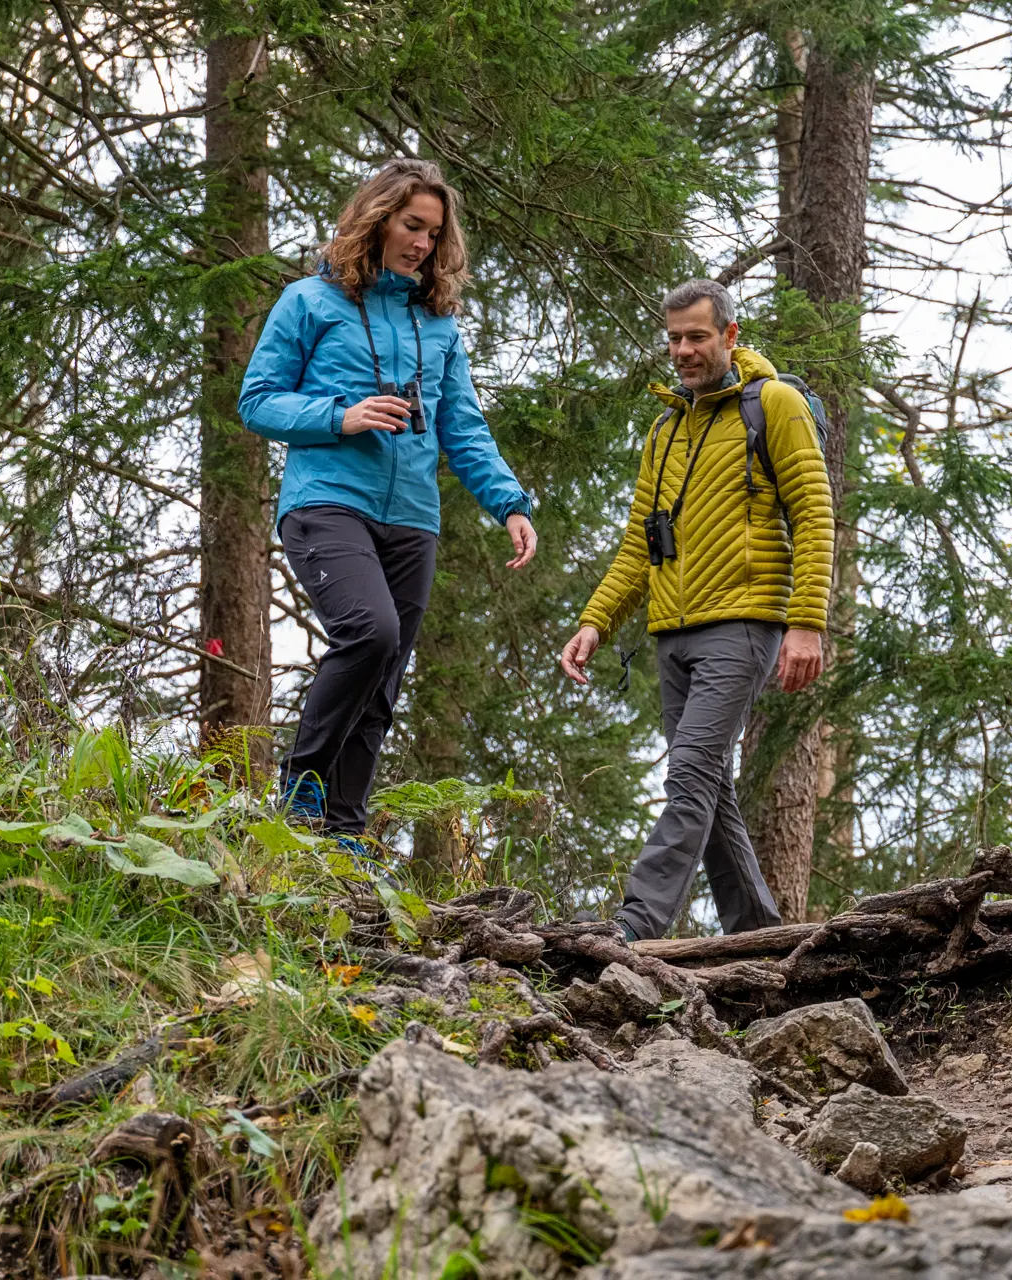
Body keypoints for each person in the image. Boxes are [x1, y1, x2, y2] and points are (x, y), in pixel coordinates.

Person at [238, 158, 536, 864]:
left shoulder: (437, 326)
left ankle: (344, 829)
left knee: (386, 675)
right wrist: (341, 416)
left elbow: (462, 427)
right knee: (368, 633)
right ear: (377, 219)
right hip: (328, 501)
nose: (423, 244)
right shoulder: (309, 301)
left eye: (434, 233)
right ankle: (302, 782)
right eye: (412, 226)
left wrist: (510, 505)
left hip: (412, 516)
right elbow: (257, 401)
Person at [560, 279, 833, 941]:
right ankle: (757, 937)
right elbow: (638, 544)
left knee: (689, 776)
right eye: (674, 337)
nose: (682, 350)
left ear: (730, 337)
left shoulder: (774, 405)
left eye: (697, 337)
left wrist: (805, 622)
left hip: (743, 625)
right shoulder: (666, 428)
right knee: (710, 787)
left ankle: (635, 927)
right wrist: (595, 620)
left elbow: (815, 515)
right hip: (672, 631)